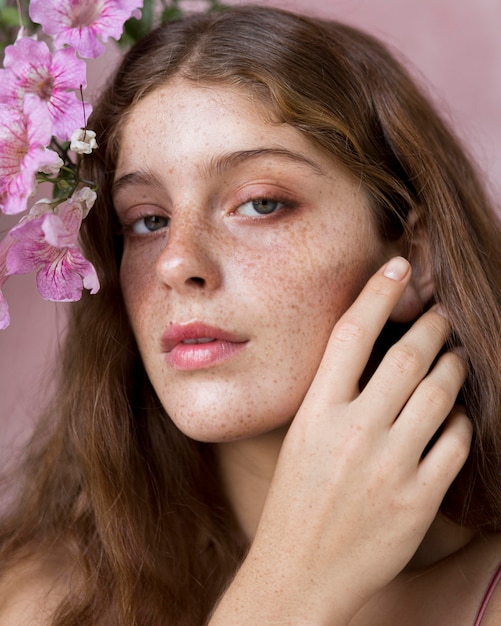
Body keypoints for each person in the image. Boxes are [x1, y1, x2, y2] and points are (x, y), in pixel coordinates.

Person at [1, 4, 501, 624]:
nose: (176, 262)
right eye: (148, 220)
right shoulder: (35, 601)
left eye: (261, 203)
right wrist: (290, 584)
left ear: (416, 258)